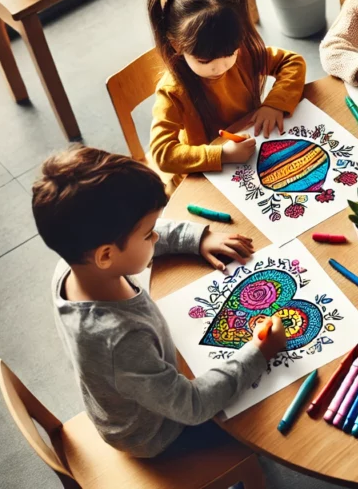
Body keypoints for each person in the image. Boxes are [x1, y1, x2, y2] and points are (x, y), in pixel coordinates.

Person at [32, 146, 286, 457]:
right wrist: (260, 352)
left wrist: (196, 239)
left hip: (148, 392)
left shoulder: (75, 264)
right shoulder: (120, 339)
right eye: (149, 233)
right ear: (106, 255)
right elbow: (193, 406)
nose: (156, 237)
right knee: (269, 418)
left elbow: (134, 235)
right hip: (160, 433)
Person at [148, 0, 306, 175]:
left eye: (230, 53)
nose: (220, 66)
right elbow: (162, 154)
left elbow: (292, 62)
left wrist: (274, 104)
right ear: (177, 45)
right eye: (205, 61)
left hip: (256, 151)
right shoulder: (173, 91)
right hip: (207, 173)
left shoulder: (243, 54)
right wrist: (222, 154)